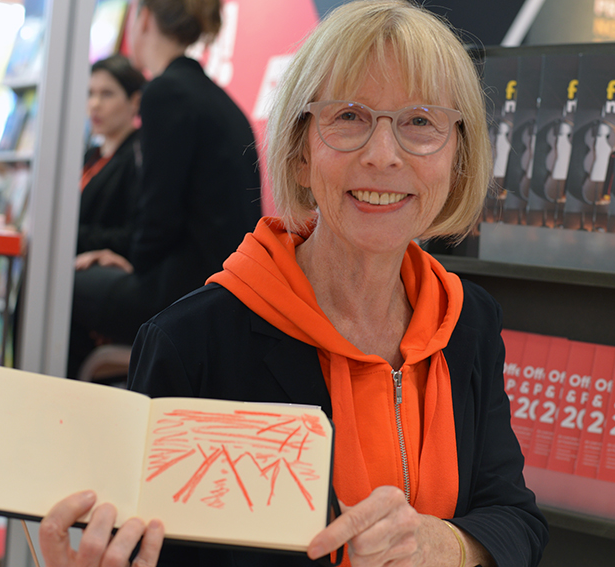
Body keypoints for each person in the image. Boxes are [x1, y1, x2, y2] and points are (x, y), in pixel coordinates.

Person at [43, 1, 548, 566]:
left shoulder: (467, 320)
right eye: (349, 117)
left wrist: (444, 545)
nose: (383, 155)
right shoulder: (194, 343)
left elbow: (514, 519)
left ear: (457, 159)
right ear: (301, 152)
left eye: (421, 122)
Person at [67, 0, 262, 378]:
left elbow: (159, 215)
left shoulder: (166, 92)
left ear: (143, 19)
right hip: (224, 286)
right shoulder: (215, 98)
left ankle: (65, 403)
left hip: (189, 292)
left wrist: (132, 261)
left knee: (60, 286)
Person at [75, 54, 146, 260]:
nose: (95, 104)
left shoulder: (139, 157)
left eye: (107, 94)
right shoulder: (91, 154)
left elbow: (132, 234)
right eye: (90, 93)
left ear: (135, 101)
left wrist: (71, 235)